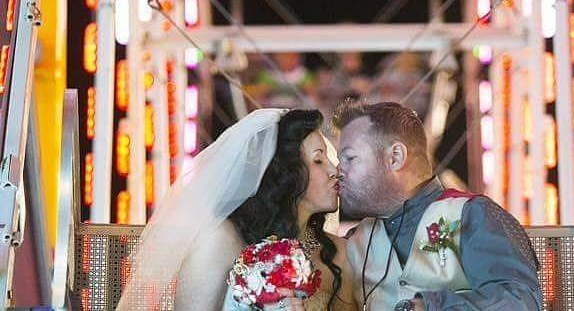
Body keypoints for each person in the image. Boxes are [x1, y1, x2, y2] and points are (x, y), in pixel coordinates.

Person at [117, 109, 356, 311]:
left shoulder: (338, 255)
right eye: (318, 160)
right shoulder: (222, 240)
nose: (335, 169)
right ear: (284, 175)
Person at [332, 100, 542, 311]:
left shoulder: (473, 215)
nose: (338, 171)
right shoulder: (354, 242)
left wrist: (429, 306)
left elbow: (520, 303)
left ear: (395, 157)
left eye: (349, 158)